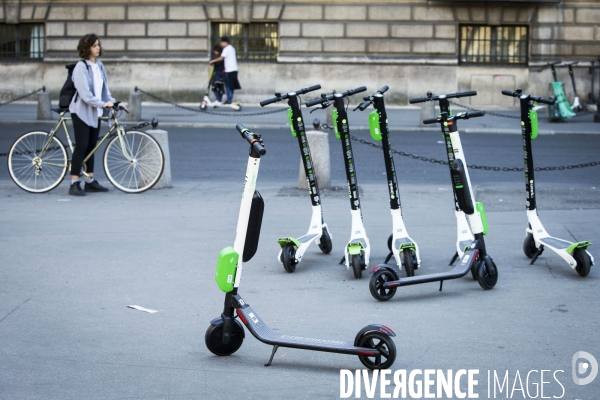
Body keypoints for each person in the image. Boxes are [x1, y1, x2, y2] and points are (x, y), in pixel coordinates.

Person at [68, 33, 118, 196]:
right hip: (81, 111)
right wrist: (102, 104)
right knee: (81, 146)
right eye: (94, 45)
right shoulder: (81, 67)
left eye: (98, 45)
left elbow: (105, 90)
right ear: (86, 48)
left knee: (91, 147)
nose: (98, 48)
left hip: (95, 111)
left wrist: (113, 102)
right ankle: (74, 182)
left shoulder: (99, 65)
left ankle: (90, 181)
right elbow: (85, 94)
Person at [209, 36, 241, 104]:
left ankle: (229, 100)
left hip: (229, 70)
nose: (221, 44)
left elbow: (221, 58)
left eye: (222, 42)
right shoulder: (232, 48)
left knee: (228, 85)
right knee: (231, 86)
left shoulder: (226, 49)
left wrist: (213, 61)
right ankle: (229, 99)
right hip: (234, 69)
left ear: (225, 42)